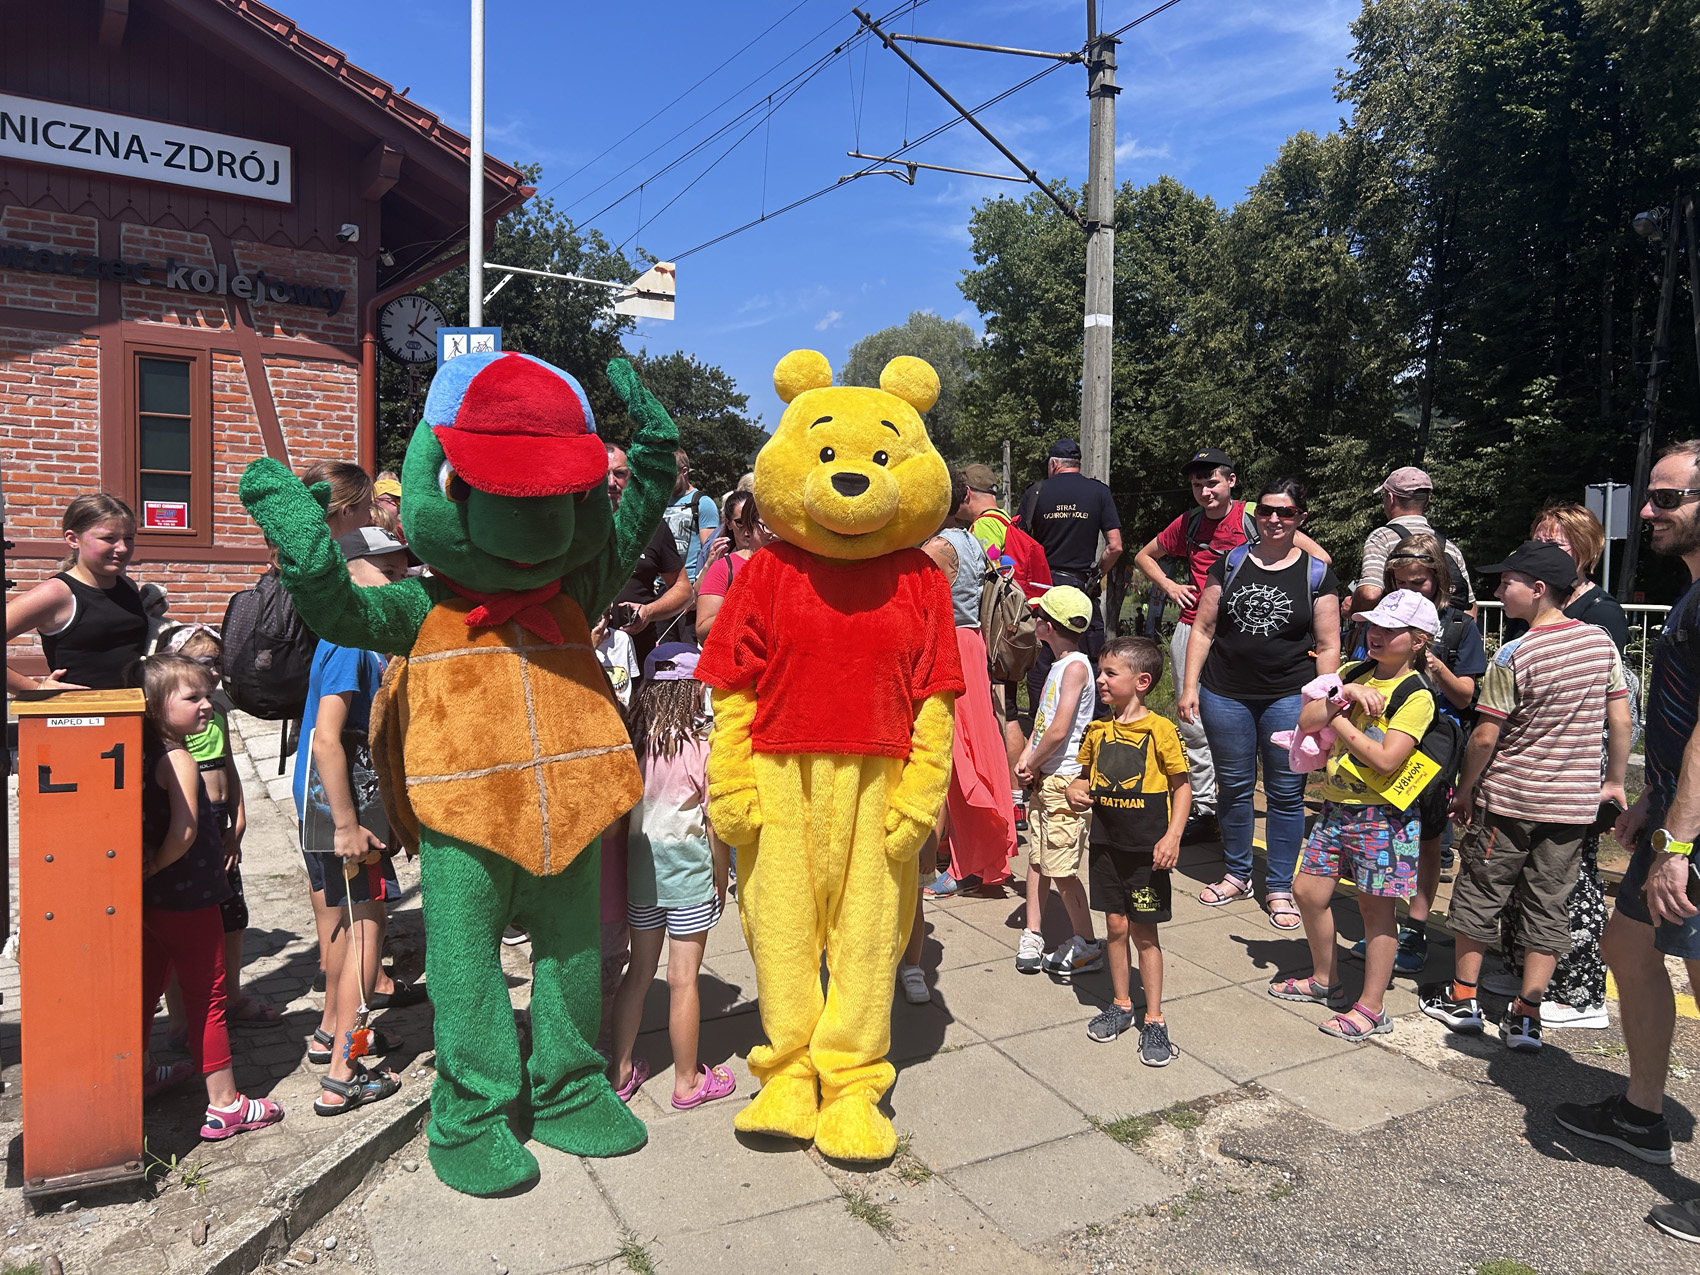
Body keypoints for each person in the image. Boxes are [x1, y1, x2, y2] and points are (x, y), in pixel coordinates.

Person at [1554, 442, 1700, 1244]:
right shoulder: (1689, 593)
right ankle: (1645, 1112)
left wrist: (1678, 839)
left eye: (1668, 497)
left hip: (1696, 830)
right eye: (1649, 496)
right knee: (1626, 946)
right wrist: (1651, 797)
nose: (1648, 511)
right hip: (1675, 814)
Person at [1421, 540, 1630, 1053]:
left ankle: (1464, 998)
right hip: (1572, 806)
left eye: (1505, 583)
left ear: (1538, 590)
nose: (1497, 591)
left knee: (1479, 893)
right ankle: (1527, 1015)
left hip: (1510, 801)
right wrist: (1615, 781)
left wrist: (1465, 789)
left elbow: (1487, 736)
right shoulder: (1601, 643)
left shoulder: (1516, 653)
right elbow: (1619, 719)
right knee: (1548, 903)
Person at [1134, 449, 1332, 844]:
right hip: (1198, 630)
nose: (1205, 492)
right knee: (1194, 726)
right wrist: (1172, 587)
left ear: (1231, 482)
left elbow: (1320, 560)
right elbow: (1143, 555)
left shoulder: (1257, 516)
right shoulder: (1189, 522)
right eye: (1197, 485)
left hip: (1251, 636)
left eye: (1212, 483)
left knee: (1263, 746)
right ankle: (1205, 808)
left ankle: (1230, 814)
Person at [1272, 590, 1439, 1040]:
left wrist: (1339, 717)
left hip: (1384, 817)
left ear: (1419, 640)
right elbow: (1306, 719)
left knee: (1376, 910)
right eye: (1373, 626)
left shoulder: (1416, 694)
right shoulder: (1352, 671)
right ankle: (1325, 981)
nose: (1376, 635)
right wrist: (1343, 693)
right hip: (1336, 805)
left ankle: (1372, 1007)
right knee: (1307, 891)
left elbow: (1386, 760)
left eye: (1390, 629)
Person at [1489, 503, 1630, 1026]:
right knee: (1527, 879)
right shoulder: (1538, 606)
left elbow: (1610, 702)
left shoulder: (1601, 612)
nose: (1548, 549)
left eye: (1560, 542)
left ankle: (1579, 990)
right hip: (1531, 773)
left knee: (1573, 882)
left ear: (1586, 551)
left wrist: (1612, 778)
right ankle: (1524, 970)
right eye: (1541, 539)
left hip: (1574, 771)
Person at [1179, 478, 1341, 928]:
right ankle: (1236, 872)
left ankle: (1279, 886)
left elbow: (1329, 643)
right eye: (1267, 511)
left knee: (1286, 793)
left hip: (1289, 696)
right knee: (1233, 786)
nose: (1274, 519)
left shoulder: (1316, 573)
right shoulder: (1230, 563)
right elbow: (1204, 628)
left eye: (1285, 513)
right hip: (1224, 693)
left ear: (1299, 518)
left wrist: (1324, 695)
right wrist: (1189, 686)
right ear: (1256, 514)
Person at [136, 652, 285, 1139]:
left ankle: (137, 1073)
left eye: (208, 695)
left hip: (155, 899)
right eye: (193, 697)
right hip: (189, 895)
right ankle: (225, 1104)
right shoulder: (178, 757)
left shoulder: (144, 750)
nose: (206, 706)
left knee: (148, 987)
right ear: (158, 707)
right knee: (210, 995)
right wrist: (160, 861)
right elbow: (185, 828)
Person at [294, 527, 418, 1104]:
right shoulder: (349, 640)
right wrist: (346, 823)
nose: (399, 583)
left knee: (347, 928)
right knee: (368, 931)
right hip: (347, 804)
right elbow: (325, 739)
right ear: (350, 571)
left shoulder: (354, 634)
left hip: (340, 800)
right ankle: (346, 1074)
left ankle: (334, 1034)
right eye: (387, 573)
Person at [1344, 534, 1486, 975]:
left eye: (1419, 581)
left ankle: (1417, 926)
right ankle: (1383, 921)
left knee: (1427, 838)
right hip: (1381, 740)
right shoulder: (1382, 621)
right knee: (1383, 833)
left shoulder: (1459, 626)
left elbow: (1467, 698)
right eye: (1398, 580)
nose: (1408, 589)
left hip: (1432, 745)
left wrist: (1433, 663)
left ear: (1438, 579)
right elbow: (1357, 673)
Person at [606, 644, 735, 1111]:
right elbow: (716, 822)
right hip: (689, 874)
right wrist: (721, 878)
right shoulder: (703, 744)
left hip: (642, 873)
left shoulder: (632, 742)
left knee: (639, 973)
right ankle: (686, 1082)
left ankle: (619, 1071)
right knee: (683, 980)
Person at [1066, 637, 1190, 1062]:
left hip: (1145, 852)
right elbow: (1083, 778)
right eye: (1100, 672)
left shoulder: (1161, 730)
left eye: (1109, 673)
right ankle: (1121, 1005)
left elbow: (1182, 786)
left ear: (1141, 681)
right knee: (1115, 927)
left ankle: (1153, 1019)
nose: (1100, 680)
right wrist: (1074, 789)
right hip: (1105, 846)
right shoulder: (1097, 730)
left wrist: (1172, 836)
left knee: (1144, 932)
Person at [157, 625, 281, 1039]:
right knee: (188, 923)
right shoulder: (173, 727)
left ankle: (232, 997)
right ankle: (181, 1024)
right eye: (204, 663)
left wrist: (239, 820)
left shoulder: (216, 713)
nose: (213, 673)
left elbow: (228, 764)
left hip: (222, 825)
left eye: (218, 664)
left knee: (232, 918)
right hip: (193, 823)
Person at [920, 469, 1018, 899]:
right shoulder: (971, 539)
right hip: (968, 643)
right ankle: (963, 854)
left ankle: (966, 863)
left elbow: (920, 604)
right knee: (969, 748)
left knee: (959, 758)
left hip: (949, 646)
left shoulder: (939, 546)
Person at [1014, 586, 1101, 978]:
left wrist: (1033, 759)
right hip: (1047, 775)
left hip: (1064, 779)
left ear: (1047, 625)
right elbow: (1044, 723)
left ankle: (1086, 941)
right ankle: (1034, 931)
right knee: (1037, 857)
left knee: (1061, 868)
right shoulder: (1059, 665)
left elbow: (1061, 729)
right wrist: (1027, 755)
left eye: (1038, 617)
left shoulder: (1077, 668)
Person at [961, 462, 1052, 825]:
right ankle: (1016, 794)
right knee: (1010, 706)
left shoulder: (983, 526)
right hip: (1014, 633)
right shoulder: (1007, 523)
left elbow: (977, 580)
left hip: (994, 635)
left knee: (1004, 711)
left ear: (967, 494)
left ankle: (1012, 795)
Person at [7, 493, 145, 692]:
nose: (122, 548)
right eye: (109, 538)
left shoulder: (127, 586)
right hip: (77, 716)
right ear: (73, 539)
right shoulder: (56, 593)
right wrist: (35, 690)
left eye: (129, 538)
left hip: (132, 712)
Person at [1017, 439, 1121, 701]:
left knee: (1042, 660)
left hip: (1043, 590)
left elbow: (1017, 544)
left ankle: (1041, 722)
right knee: (1087, 658)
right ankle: (1091, 728)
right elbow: (1115, 547)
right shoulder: (1099, 492)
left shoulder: (1036, 492)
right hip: (1080, 588)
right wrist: (1097, 574)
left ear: (1053, 465)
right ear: (1077, 464)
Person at [607, 441, 692, 661]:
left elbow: (683, 589)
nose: (611, 483)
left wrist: (648, 612)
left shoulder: (652, 527)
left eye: (619, 474)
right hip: (583, 652)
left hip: (637, 652)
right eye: (602, 474)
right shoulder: (573, 526)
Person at [1352, 466, 1475, 616]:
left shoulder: (1381, 538)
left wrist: (1352, 610)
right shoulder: (1448, 547)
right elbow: (1469, 606)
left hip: (1393, 635)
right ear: (1427, 500)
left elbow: (1370, 594)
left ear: (1390, 498)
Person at [694, 490, 778, 644]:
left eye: (778, 526)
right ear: (750, 526)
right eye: (767, 526)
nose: (773, 533)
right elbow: (702, 632)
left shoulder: (792, 566)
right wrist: (743, 604)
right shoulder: (723, 568)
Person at [662, 449, 720, 584]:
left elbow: (709, 552)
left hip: (689, 584)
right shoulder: (658, 502)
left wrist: (698, 588)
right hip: (659, 585)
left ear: (684, 471)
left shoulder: (703, 503)